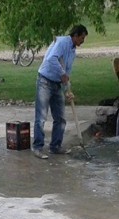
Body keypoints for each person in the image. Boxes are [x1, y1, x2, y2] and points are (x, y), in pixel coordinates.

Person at [31, 24, 88, 159]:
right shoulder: (62, 42)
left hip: (57, 84)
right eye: (82, 38)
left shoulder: (73, 50)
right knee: (41, 117)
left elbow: (66, 71)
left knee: (60, 118)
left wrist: (67, 89)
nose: (83, 41)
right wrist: (62, 74)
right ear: (75, 35)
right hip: (45, 81)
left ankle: (55, 146)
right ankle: (37, 147)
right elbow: (51, 59)